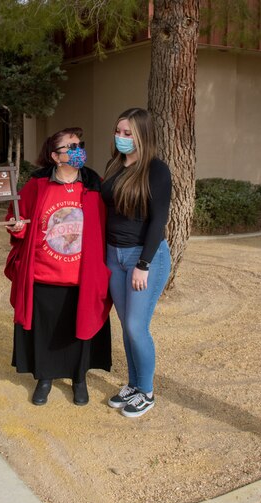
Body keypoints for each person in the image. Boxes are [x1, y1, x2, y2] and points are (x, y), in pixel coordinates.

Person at [4, 127, 112, 406]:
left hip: (81, 276)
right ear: (55, 156)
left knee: (80, 329)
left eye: (80, 145)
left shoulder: (93, 185)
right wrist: (16, 227)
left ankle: (79, 379)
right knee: (46, 331)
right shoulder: (37, 185)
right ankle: (45, 378)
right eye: (71, 147)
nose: (78, 151)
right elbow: (17, 221)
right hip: (44, 275)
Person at [102, 108, 172, 418]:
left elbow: (159, 220)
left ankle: (146, 391)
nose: (121, 138)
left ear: (142, 135)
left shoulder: (156, 170)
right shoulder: (115, 165)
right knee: (125, 326)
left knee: (136, 326)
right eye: (118, 131)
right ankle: (133, 384)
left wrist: (143, 264)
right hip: (113, 255)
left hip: (144, 257)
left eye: (128, 133)